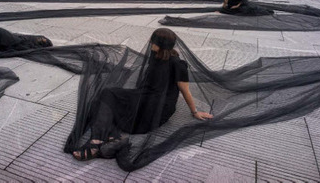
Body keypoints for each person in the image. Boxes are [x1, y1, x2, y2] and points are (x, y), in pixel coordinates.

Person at [71, 28, 213, 161]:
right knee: (105, 95)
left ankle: (97, 140)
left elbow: (185, 90)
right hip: (145, 95)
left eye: (154, 41)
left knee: (107, 99)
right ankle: (112, 138)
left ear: (161, 45)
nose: (150, 43)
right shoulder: (155, 55)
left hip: (159, 107)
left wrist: (194, 112)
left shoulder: (177, 64)